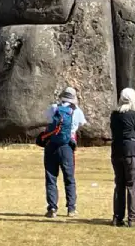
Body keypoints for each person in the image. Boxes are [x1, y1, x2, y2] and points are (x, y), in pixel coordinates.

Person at [109, 87, 135, 227]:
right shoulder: (133, 115)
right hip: (130, 150)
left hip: (116, 150)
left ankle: (117, 217)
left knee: (119, 184)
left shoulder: (114, 115)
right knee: (132, 184)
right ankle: (133, 217)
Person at [43, 88, 82, 218]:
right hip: (67, 147)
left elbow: (47, 120)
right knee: (69, 178)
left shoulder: (54, 108)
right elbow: (80, 124)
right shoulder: (76, 111)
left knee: (51, 177)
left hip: (51, 146)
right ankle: (71, 208)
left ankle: (52, 208)